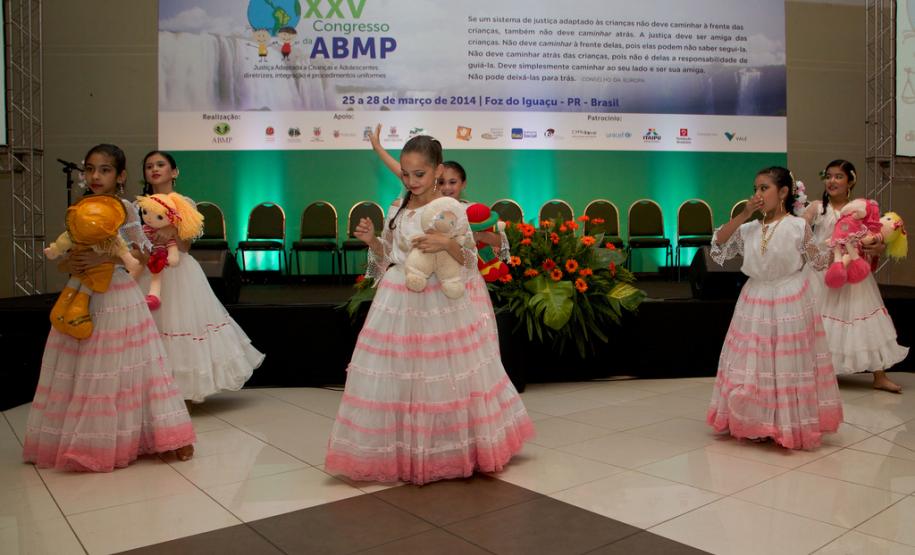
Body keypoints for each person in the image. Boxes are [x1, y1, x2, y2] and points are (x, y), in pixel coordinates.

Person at [325, 134, 534, 484]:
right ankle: (402, 451)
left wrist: (447, 242)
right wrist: (372, 242)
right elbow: (386, 260)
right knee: (403, 379)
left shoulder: (454, 211)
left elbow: (470, 262)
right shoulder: (396, 208)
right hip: (399, 302)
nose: (411, 181)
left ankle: (452, 450)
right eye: (406, 174)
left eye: (419, 174)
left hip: (444, 304)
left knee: (445, 380)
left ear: (437, 170)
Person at [23, 144, 195, 471]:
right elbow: (69, 251)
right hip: (83, 295)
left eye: (104, 170)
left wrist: (107, 257)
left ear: (120, 176)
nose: (95, 176)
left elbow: (143, 254)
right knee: (83, 368)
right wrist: (73, 259)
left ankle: (158, 436)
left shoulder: (127, 209)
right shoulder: (80, 208)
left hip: (117, 295)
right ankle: (81, 439)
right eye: (90, 169)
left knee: (128, 368)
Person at [707, 166, 842, 449]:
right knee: (754, 362)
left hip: (789, 297)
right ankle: (755, 419)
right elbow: (718, 243)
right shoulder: (749, 228)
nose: (758, 194)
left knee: (785, 363)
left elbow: (817, 260)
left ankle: (785, 422)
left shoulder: (797, 225)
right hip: (755, 297)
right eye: (755, 188)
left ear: (782, 192)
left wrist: (843, 248)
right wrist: (745, 213)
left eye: (764, 188)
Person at [137, 151, 264, 403]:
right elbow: (137, 246)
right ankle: (152, 392)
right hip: (150, 270)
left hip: (179, 271)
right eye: (149, 165)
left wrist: (172, 231)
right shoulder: (140, 206)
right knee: (150, 330)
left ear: (174, 172)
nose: (154, 169)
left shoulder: (185, 203)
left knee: (181, 325)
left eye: (160, 164)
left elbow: (184, 247)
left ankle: (184, 393)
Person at [803, 159, 908, 393]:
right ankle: (816, 372)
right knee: (817, 321)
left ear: (850, 180)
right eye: (828, 176)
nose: (832, 181)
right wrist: (818, 255)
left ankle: (879, 376)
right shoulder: (817, 207)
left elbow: (875, 238)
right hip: (822, 273)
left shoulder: (864, 209)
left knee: (866, 320)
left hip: (854, 273)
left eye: (838, 176)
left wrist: (877, 247)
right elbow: (800, 235)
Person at [369, 124, 508, 257]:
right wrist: (378, 148)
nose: (446, 187)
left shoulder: (461, 210)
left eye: (452, 182)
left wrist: (471, 237)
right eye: (442, 182)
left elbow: (472, 258)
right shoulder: (401, 206)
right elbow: (387, 252)